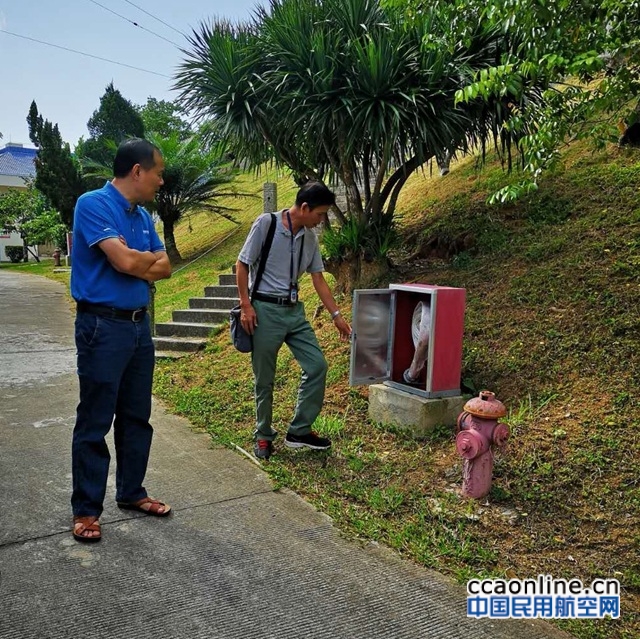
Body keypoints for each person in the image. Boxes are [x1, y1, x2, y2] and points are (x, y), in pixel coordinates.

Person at [69, 138, 172, 542]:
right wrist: (138, 261)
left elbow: (165, 268)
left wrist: (138, 260)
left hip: (138, 328)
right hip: (102, 326)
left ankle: (131, 492)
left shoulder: (143, 217)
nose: (161, 181)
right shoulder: (93, 204)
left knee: (136, 416)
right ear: (137, 172)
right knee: (95, 419)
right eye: (158, 173)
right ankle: (87, 511)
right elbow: (128, 261)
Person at [236, 181, 352, 460]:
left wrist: (336, 316)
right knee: (264, 379)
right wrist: (246, 305)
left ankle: (299, 431)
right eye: (320, 214)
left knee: (317, 366)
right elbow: (241, 264)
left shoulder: (310, 238)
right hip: (263, 310)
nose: (322, 219)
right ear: (304, 207)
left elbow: (318, 279)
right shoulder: (267, 224)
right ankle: (263, 436)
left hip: (294, 312)